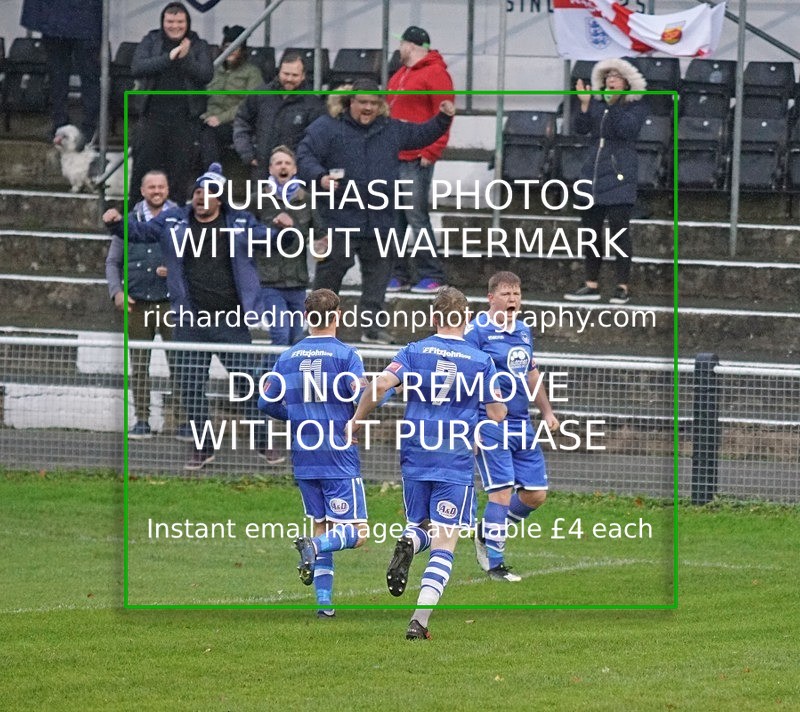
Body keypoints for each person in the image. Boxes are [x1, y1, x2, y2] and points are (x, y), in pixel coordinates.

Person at [350, 287, 506, 640]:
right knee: (445, 542)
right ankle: (419, 621)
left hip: (415, 453)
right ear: (466, 319)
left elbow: (381, 385)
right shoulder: (480, 360)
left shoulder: (414, 351)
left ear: (434, 318)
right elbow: (497, 412)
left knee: (419, 524)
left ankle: (409, 541)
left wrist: (357, 420)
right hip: (454, 457)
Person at [129, 162, 277, 471]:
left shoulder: (239, 222)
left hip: (231, 322)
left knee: (247, 383)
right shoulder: (176, 221)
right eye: (197, 191)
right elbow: (140, 232)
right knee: (191, 387)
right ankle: (202, 447)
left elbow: (272, 240)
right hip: (190, 323)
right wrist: (115, 224)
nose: (201, 197)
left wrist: (285, 230)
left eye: (208, 192)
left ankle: (263, 441)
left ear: (219, 199)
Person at [296, 80, 455, 345]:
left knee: (378, 279)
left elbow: (422, 134)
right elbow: (304, 155)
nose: (368, 108)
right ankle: (317, 328)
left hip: (379, 221)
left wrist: (443, 118)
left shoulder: (391, 129)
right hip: (339, 219)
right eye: (363, 102)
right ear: (351, 102)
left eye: (373, 103)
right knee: (329, 275)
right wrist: (320, 177)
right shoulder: (327, 127)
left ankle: (372, 329)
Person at [259, 289, 373, 618]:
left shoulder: (287, 357)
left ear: (306, 318)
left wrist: (295, 416)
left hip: (304, 457)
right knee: (357, 534)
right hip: (337, 456)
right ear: (338, 316)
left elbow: (266, 402)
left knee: (322, 525)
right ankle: (313, 547)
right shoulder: (346, 355)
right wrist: (371, 404)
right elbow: (362, 395)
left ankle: (324, 607)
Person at [465, 271, 560, 582]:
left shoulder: (522, 330)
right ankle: (495, 564)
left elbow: (531, 373)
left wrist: (547, 411)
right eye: (506, 294)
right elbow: (465, 378)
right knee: (502, 492)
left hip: (521, 422)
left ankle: (487, 531)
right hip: (488, 422)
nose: (513, 299)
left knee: (535, 494)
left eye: (517, 294)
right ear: (491, 298)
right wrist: (470, 426)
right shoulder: (475, 332)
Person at [563, 57, 648, 306]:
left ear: (627, 82)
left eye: (616, 76)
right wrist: (585, 105)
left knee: (619, 233)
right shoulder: (598, 104)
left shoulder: (635, 106)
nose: (611, 80)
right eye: (608, 76)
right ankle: (591, 283)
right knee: (591, 233)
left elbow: (627, 130)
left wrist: (614, 106)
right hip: (592, 173)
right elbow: (581, 128)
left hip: (620, 172)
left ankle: (622, 286)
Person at [103, 170, 181, 439]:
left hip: (171, 305)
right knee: (138, 367)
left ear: (167, 189)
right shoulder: (128, 222)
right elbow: (113, 262)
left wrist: (175, 272)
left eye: (161, 186)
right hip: (136, 305)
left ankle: (183, 420)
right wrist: (117, 292)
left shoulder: (181, 220)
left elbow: (195, 258)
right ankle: (142, 420)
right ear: (142, 190)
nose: (156, 191)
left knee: (181, 365)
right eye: (151, 187)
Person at [386, 26, 454, 295]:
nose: (399, 48)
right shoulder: (400, 74)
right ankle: (398, 273)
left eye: (401, 43)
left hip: (417, 158)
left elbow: (445, 112)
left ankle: (432, 274)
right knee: (395, 218)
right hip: (396, 156)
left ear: (410, 46)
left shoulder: (435, 73)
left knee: (416, 216)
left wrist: (432, 150)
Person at [129, 1, 213, 204]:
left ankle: (174, 218)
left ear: (187, 23)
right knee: (142, 173)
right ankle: (134, 217)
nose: (175, 26)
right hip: (152, 118)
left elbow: (206, 74)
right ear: (163, 22)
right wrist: (169, 58)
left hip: (184, 121)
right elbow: (137, 67)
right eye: (170, 22)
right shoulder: (151, 40)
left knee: (178, 176)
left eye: (180, 22)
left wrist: (185, 58)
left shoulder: (198, 44)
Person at [256, 145, 317, 350]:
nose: (283, 167)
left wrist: (294, 228)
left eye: (287, 163)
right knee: (280, 335)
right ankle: (273, 372)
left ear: (294, 169)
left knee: (296, 339)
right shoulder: (258, 199)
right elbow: (248, 234)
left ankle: (274, 369)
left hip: (297, 281)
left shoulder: (307, 199)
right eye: (278, 163)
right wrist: (273, 231)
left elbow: (318, 234)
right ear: (270, 169)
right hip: (269, 281)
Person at [233, 52, 325, 182]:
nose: (289, 79)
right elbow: (242, 121)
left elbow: (317, 141)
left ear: (303, 76)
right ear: (279, 72)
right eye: (286, 74)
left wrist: (301, 163)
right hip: (261, 169)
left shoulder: (314, 105)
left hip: (296, 175)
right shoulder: (260, 95)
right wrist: (247, 152)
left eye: (294, 75)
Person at [20, 0, 101, 140]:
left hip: (58, 18)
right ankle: (84, 127)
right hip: (79, 18)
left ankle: (67, 125)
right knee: (77, 77)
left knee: (63, 76)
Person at [198, 25, 262, 167]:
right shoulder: (213, 69)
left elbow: (250, 105)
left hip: (234, 123)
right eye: (227, 46)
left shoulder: (252, 72)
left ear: (243, 50)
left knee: (208, 134)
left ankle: (213, 174)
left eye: (235, 47)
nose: (230, 51)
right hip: (206, 119)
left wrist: (220, 118)